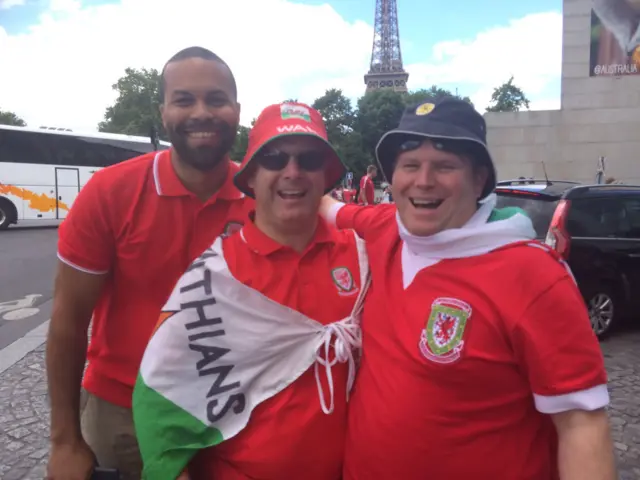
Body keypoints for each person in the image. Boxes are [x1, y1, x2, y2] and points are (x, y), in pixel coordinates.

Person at [320, 97, 617, 479]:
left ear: (479, 179)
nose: (423, 181)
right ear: (391, 179)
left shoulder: (533, 274)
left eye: (445, 166)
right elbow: (324, 206)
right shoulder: (386, 226)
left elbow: (582, 423)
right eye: (409, 165)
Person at [45, 46, 252, 480]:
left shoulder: (261, 200)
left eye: (216, 99)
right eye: (184, 100)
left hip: (232, 411)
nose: (201, 112)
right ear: (163, 112)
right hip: (123, 411)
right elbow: (67, 321)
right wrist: (65, 441)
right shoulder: (109, 193)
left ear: (236, 110)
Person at [132, 102, 368, 480]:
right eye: (274, 158)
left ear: (326, 177)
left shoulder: (364, 257)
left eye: (308, 159)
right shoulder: (215, 275)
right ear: (251, 176)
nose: (292, 172)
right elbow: (160, 393)